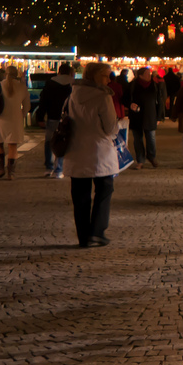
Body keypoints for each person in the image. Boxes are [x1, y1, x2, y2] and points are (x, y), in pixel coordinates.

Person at [64, 62, 118, 248]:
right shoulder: (103, 97)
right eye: (105, 75)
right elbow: (110, 128)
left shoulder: (73, 94)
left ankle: (83, 236)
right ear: (94, 76)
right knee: (104, 189)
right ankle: (96, 232)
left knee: (80, 196)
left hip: (75, 151)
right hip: (98, 152)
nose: (108, 80)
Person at [0, 66, 31, 180]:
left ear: (5, 74)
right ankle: (11, 173)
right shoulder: (22, 87)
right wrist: (21, 115)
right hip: (15, 120)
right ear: (17, 74)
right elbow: (27, 106)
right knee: (13, 146)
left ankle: (0, 169)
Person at [35, 62, 75, 178]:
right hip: (68, 118)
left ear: (59, 71)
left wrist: (40, 117)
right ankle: (59, 169)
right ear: (70, 73)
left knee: (49, 141)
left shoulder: (50, 83)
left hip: (52, 116)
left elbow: (43, 102)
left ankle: (49, 166)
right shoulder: (73, 84)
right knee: (63, 141)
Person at [124, 66, 164, 169]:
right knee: (138, 139)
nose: (149, 75)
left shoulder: (154, 86)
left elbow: (160, 101)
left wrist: (159, 117)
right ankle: (140, 160)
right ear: (140, 76)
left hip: (150, 115)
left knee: (151, 138)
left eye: (149, 73)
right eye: (146, 73)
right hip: (136, 116)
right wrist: (130, 104)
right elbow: (124, 98)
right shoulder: (132, 85)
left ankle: (151, 157)